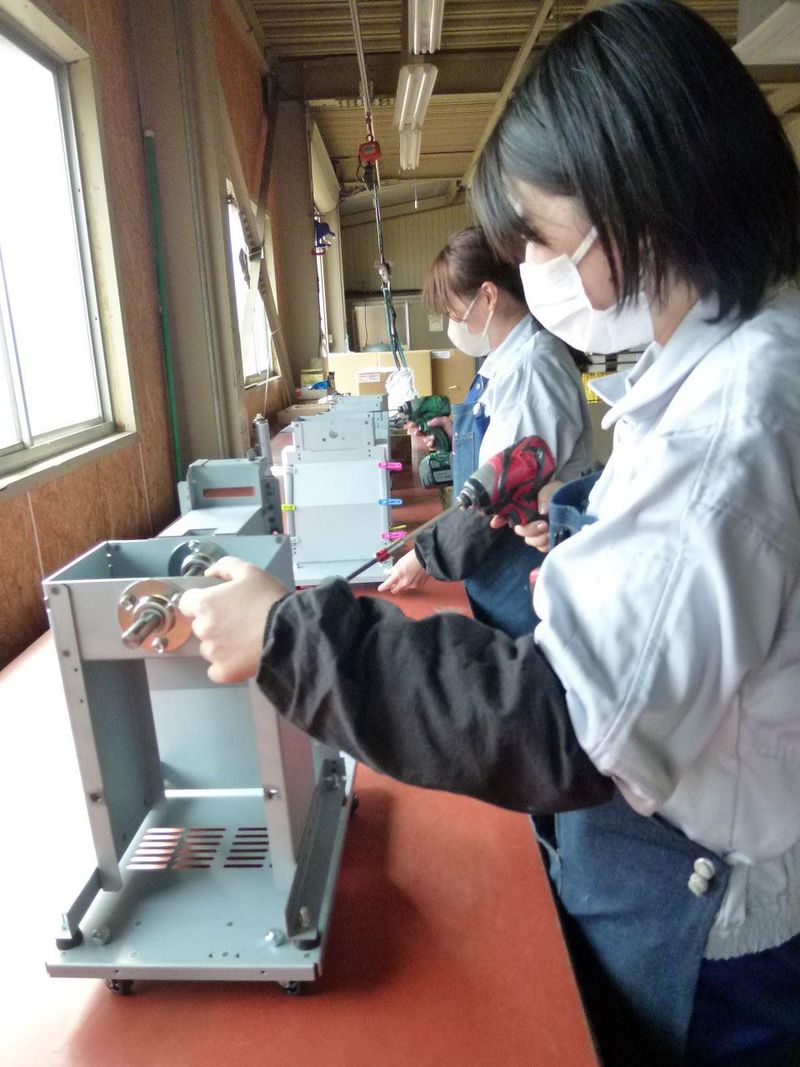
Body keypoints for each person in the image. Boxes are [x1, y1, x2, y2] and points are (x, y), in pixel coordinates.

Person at [180, 2, 800, 1062]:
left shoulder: (732, 418)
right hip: (671, 821)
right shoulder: (726, 362)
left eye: (546, 238)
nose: (537, 270)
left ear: (637, 205)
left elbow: (561, 722)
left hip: (705, 919)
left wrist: (292, 636)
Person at [378, 225, 593, 638]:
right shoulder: (505, 362)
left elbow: (498, 494)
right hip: (495, 573)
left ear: (489, 296)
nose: (452, 322)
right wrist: (454, 432)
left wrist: (425, 557)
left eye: (453, 310)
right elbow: (500, 449)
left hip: (523, 578)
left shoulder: (531, 370)